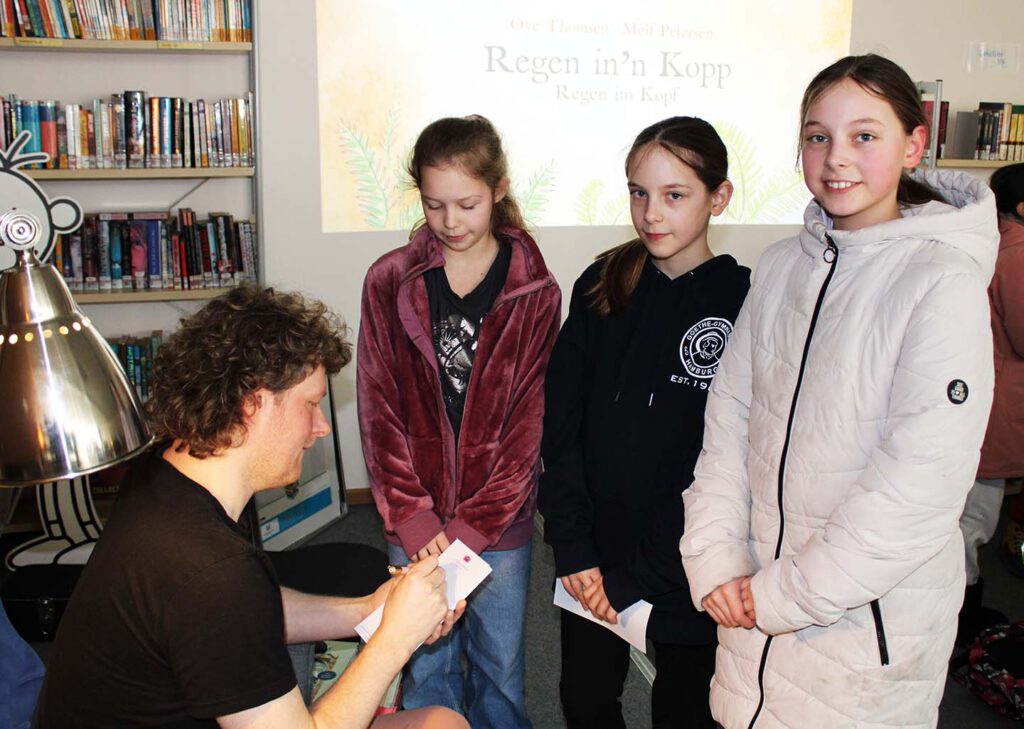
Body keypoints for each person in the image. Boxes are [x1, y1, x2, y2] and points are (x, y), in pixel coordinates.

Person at [680, 54, 999, 729]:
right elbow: (729, 423)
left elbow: (918, 486)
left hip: (857, 632)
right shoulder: (780, 266)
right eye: (818, 136)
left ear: (913, 144)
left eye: (865, 135)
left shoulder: (942, 281)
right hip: (750, 612)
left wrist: (784, 595)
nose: (836, 158)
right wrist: (715, 558)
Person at [34, 285, 469, 729]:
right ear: (251, 405)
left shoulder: (166, 473)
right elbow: (228, 599)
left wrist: (368, 611)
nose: (321, 426)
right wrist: (394, 639)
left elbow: (246, 609)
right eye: (311, 404)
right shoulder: (212, 572)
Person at [538, 116, 749, 729]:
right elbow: (560, 426)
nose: (651, 214)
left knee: (686, 711)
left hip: (684, 565)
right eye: (639, 192)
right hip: (592, 560)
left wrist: (638, 576)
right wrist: (574, 547)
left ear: (719, 197)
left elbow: (723, 460)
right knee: (585, 700)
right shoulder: (603, 284)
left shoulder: (744, 301)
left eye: (674, 195)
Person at [357, 115, 561, 729]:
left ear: (499, 189)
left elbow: (527, 428)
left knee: (500, 669)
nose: (450, 222)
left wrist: (475, 525)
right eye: (434, 204)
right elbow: (378, 408)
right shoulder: (389, 280)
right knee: (424, 663)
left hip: (499, 524)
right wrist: (414, 516)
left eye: (468, 204)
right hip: (413, 518)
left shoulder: (536, 291)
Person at [958, 161, 1024, 641]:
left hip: (985, 401)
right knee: (974, 520)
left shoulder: (990, 241)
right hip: (998, 408)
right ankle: (961, 619)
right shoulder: (1017, 253)